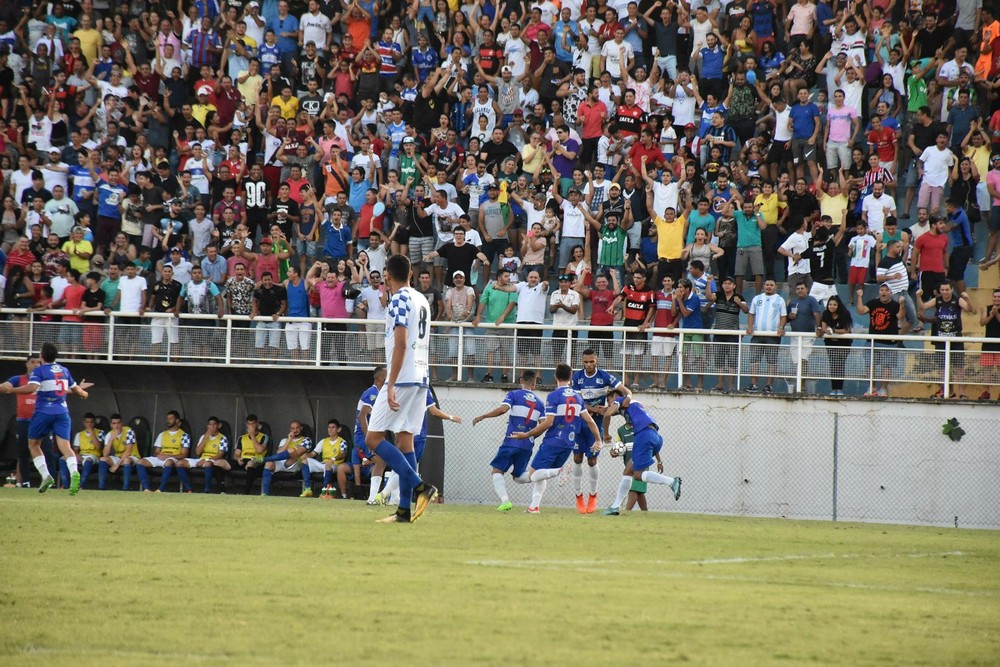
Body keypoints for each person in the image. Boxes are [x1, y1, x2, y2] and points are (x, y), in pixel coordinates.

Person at [366, 254, 438, 523]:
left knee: (373, 438)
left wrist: (391, 382)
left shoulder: (398, 298)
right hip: (421, 378)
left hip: (403, 376)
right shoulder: (421, 299)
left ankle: (420, 486)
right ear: (410, 273)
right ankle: (404, 511)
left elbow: (401, 342)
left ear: (387, 276)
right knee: (405, 440)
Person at [0, 343, 91, 495]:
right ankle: (74, 472)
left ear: (42, 356)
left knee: (33, 444)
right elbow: (78, 391)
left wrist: (12, 390)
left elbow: (32, 389)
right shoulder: (64, 370)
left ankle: (46, 476)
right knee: (65, 446)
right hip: (62, 413)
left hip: (43, 413)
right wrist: (85, 394)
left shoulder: (40, 371)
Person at [511, 363, 603, 514]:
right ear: (571, 377)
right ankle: (534, 507)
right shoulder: (578, 397)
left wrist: (527, 434)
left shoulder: (553, 396)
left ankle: (560, 471)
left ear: (555, 376)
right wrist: (598, 440)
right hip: (569, 443)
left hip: (553, 441)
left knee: (533, 475)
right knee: (541, 475)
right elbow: (590, 421)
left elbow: (549, 422)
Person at [471, 370, 545, 511]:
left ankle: (505, 501)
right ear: (534, 384)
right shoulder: (540, 403)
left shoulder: (514, 394)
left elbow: (502, 410)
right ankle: (546, 474)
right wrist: (530, 436)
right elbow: (544, 425)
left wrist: (483, 416)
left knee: (497, 471)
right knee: (518, 476)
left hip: (511, 441)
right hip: (527, 445)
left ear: (521, 381)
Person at [571, 349, 631, 514]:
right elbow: (577, 401)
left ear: (596, 360)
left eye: (591, 362)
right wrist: (595, 409)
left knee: (591, 461)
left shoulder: (604, 376)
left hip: (596, 424)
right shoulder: (577, 377)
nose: (588, 365)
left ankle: (593, 495)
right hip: (580, 421)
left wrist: (629, 396)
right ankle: (578, 496)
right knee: (577, 458)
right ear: (582, 362)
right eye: (585, 362)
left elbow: (624, 390)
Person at [602, 393, 682, 515]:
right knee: (628, 470)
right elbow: (611, 411)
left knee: (638, 475)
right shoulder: (635, 405)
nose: (609, 404)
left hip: (643, 435)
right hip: (655, 437)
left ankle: (671, 482)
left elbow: (607, 414)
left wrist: (606, 434)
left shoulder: (621, 400)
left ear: (617, 397)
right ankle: (615, 507)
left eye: (609, 400)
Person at [0, 354, 56, 488]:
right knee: (23, 453)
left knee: (48, 452)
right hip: (23, 421)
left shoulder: (46, 379)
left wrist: (77, 388)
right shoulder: (18, 379)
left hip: (42, 419)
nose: (36, 364)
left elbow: (62, 389)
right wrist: (5, 387)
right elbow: (5, 386)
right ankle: (25, 482)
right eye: (33, 362)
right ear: (27, 364)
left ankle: (50, 482)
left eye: (39, 362)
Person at [916, 283, 977, 399]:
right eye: (942, 290)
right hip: (941, 339)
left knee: (958, 367)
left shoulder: (957, 300)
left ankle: (962, 393)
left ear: (951, 289)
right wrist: (918, 297)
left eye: (947, 289)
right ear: (939, 290)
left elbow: (970, 309)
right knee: (942, 368)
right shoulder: (937, 300)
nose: (945, 292)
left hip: (955, 338)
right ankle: (948, 391)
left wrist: (967, 299)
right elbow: (923, 307)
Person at [856, 284, 909, 397]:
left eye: (886, 290)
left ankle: (883, 389)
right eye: (882, 290)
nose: (883, 292)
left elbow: (901, 317)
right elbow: (861, 311)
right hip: (873, 340)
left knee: (886, 366)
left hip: (889, 342)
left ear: (891, 293)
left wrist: (902, 304)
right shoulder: (873, 303)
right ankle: (872, 388)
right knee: (870, 365)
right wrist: (859, 297)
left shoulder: (895, 305)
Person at [136, 410, 191, 493]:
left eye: (171, 418)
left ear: (177, 421)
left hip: (173, 459)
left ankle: (160, 489)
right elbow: (156, 452)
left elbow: (184, 455)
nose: (168, 421)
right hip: (161, 457)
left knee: (168, 462)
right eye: (167, 418)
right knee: (140, 461)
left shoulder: (184, 435)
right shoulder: (162, 434)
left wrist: (168, 456)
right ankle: (146, 488)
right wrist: (159, 455)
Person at [260, 420, 314, 496]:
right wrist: (289, 440)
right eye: (293, 428)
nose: (295, 430)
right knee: (268, 464)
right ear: (290, 430)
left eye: (297, 428)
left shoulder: (306, 440)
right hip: (281, 463)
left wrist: (290, 450)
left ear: (301, 428)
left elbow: (298, 453)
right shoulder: (284, 440)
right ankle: (265, 494)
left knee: (291, 451)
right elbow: (279, 453)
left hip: (294, 464)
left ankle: (264, 459)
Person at [179, 416, 231, 494]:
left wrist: (207, 460)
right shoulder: (203, 437)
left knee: (207, 464)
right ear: (207, 426)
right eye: (210, 425)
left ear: (218, 426)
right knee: (179, 463)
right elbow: (197, 452)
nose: (212, 427)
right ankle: (189, 489)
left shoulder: (223, 438)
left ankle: (207, 489)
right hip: (201, 459)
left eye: (214, 424)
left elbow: (220, 455)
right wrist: (205, 438)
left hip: (213, 460)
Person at [818, 296, 854, 396]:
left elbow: (846, 330)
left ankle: (840, 389)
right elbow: (824, 327)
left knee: (840, 364)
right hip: (830, 342)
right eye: (830, 304)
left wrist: (834, 331)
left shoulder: (845, 314)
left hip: (844, 343)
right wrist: (825, 330)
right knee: (833, 364)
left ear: (838, 305)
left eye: (834, 304)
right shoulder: (825, 313)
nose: (832, 306)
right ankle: (834, 389)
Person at [307, 419, 351, 499]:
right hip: (323, 464)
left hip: (335, 465)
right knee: (305, 461)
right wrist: (304, 456)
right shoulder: (324, 441)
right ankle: (307, 489)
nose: (330, 429)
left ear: (338, 429)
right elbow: (313, 453)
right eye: (329, 427)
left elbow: (343, 453)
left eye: (333, 427)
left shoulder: (342, 441)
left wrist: (333, 459)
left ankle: (324, 492)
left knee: (328, 466)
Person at [98, 414, 139, 491]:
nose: (116, 426)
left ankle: (125, 488)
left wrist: (117, 465)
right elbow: (105, 454)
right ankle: (101, 487)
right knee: (103, 459)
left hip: (132, 457)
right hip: (118, 457)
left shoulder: (129, 431)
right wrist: (111, 440)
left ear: (121, 423)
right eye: (114, 423)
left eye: (118, 423)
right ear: (111, 425)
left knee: (126, 460)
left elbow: (128, 452)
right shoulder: (110, 434)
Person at [233, 414, 268, 495]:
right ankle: (221, 490)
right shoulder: (242, 438)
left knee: (251, 463)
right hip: (243, 459)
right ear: (246, 424)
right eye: (249, 424)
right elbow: (236, 454)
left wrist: (252, 435)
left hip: (258, 459)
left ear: (257, 424)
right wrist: (238, 458)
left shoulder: (264, 437)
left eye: (253, 423)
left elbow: (259, 450)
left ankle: (246, 492)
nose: (251, 426)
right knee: (222, 463)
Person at [69, 412, 105, 490]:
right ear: (84, 423)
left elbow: (98, 447)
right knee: (63, 459)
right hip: (82, 455)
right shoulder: (79, 434)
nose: (89, 424)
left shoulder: (100, 432)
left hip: (94, 456)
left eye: (91, 422)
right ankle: (65, 485)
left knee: (88, 460)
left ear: (94, 422)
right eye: (87, 422)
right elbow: (75, 449)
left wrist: (92, 433)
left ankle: (80, 486)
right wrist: (77, 455)